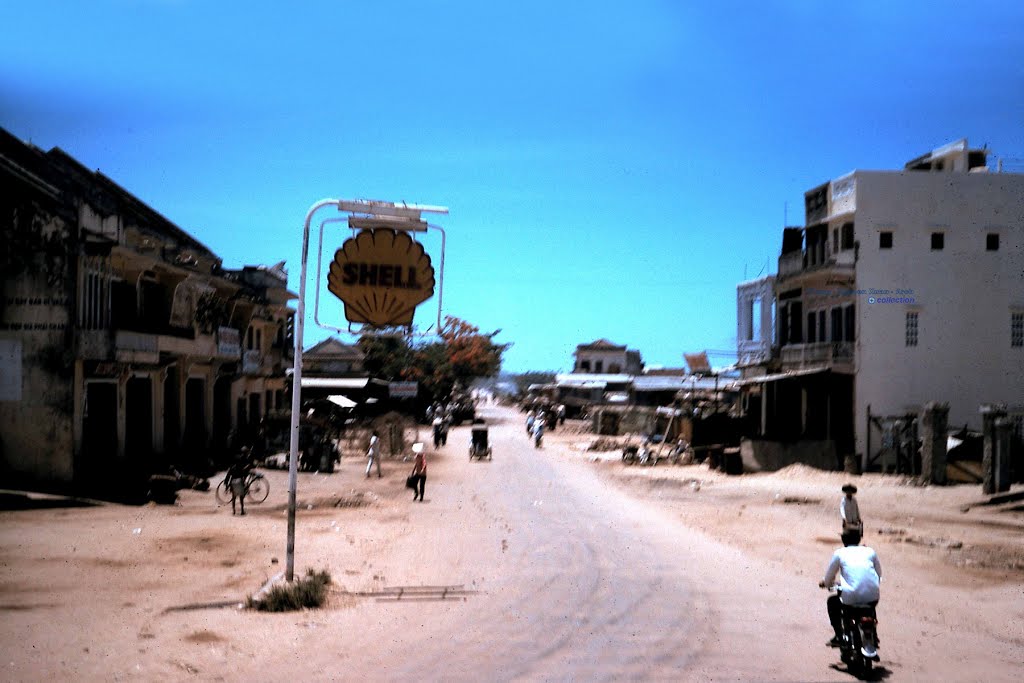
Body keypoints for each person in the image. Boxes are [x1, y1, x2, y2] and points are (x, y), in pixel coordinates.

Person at [818, 528, 881, 647]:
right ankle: (874, 635)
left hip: (851, 597)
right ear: (859, 538)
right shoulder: (870, 551)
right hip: (873, 596)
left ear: (843, 539)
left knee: (833, 602)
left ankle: (839, 635)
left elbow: (829, 577)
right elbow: (879, 573)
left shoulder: (840, 553)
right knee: (869, 607)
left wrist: (825, 583)